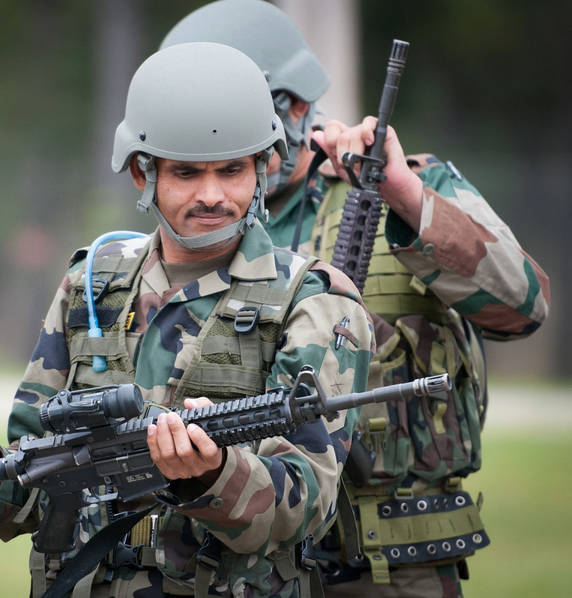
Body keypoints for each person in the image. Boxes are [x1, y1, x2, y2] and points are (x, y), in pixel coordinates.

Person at [0, 41, 374, 597]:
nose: (212, 195)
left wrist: (213, 474)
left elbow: (304, 506)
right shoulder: (92, 283)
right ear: (143, 174)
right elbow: (40, 477)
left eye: (232, 170)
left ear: (261, 169)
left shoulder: (313, 301)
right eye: (186, 173)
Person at [160, 1, 551, 596]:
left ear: (297, 104)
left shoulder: (399, 190)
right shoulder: (202, 227)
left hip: (389, 565)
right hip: (246, 564)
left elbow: (524, 306)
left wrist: (402, 192)